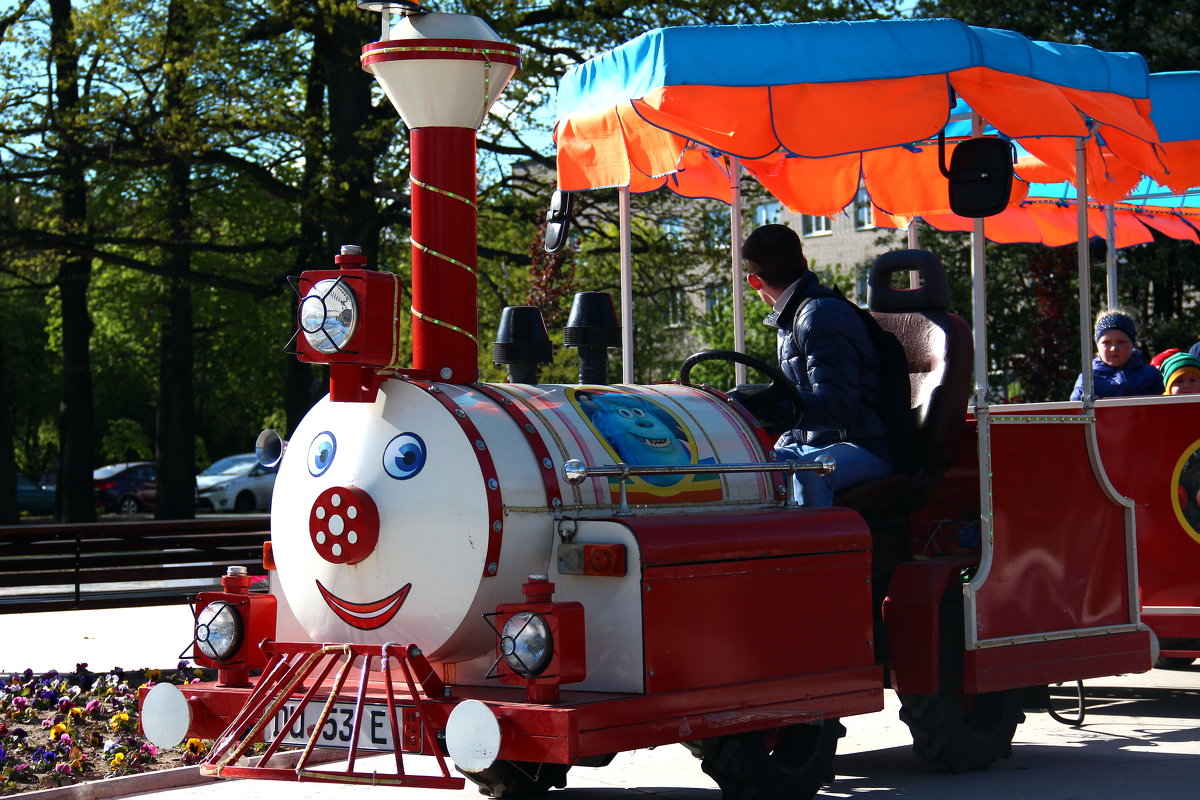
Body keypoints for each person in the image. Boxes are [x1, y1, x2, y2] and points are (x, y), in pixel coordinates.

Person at [735, 224, 892, 507]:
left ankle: (815, 549)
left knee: (810, 473)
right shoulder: (793, 316)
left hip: (863, 444)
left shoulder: (819, 317)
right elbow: (801, 403)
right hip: (813, 443)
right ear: (804, 263)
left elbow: (837, 406)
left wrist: (766, 404)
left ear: (754, 282)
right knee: (743, 469)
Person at [1070, 310, 1163, 400]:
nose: (1114, 348)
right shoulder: (1088, 380)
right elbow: (1077, 411)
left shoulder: (1151, 375)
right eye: (1106, 342)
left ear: (1132, 344)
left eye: (1121, 342)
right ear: (1097, 345)